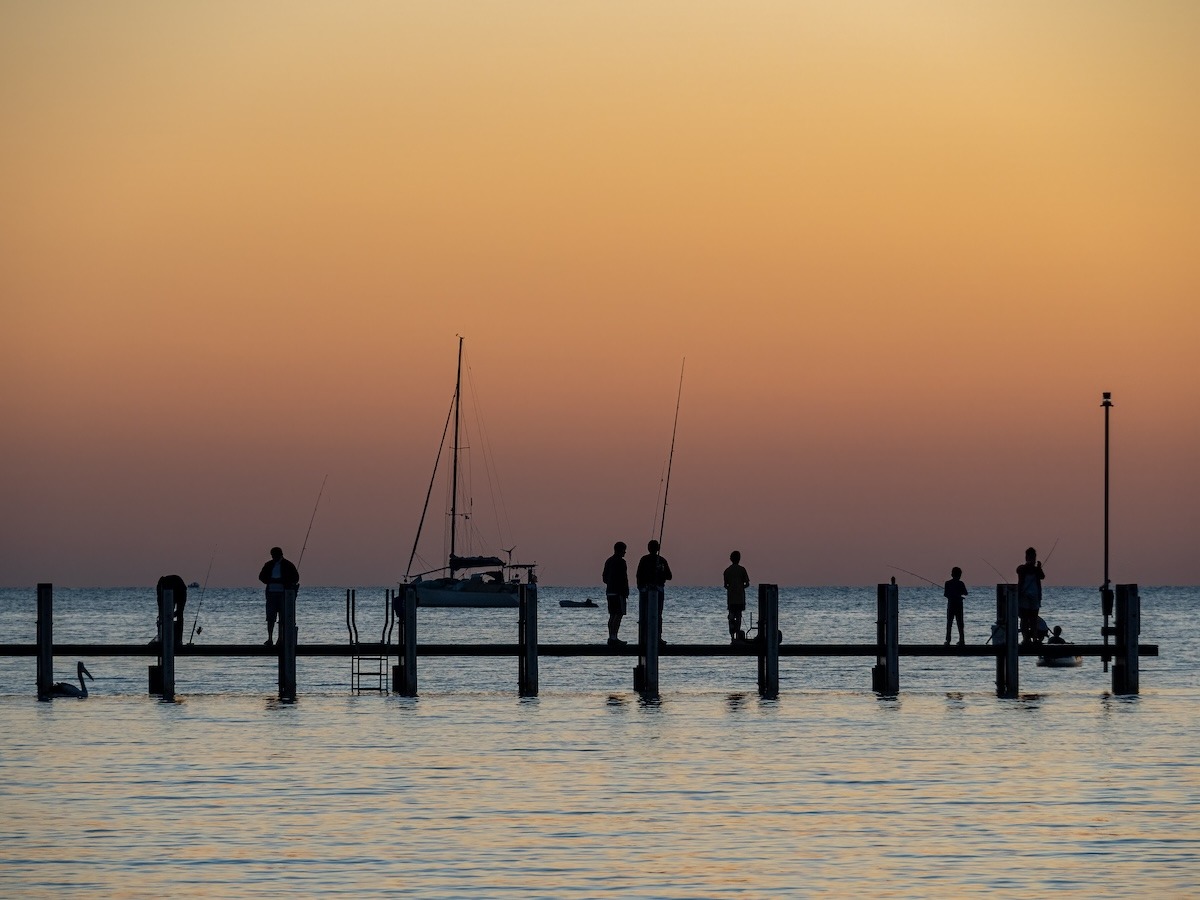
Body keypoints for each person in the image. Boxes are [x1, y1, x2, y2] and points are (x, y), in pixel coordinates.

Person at [258, 547, 300, 646]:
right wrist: (271, 580)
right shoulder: (268, 565)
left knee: (282, 618)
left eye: (275, 555)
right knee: (270, 618)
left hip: (283, 595)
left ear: (280, 554)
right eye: (272, 555)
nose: (273, 557)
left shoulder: (288, 565)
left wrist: (282, 581)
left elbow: (296, 578)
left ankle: (280, 639)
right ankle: (270, 639)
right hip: (271, 594)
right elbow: (261, 577)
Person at [636, 539, 672, 646]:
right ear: (658, 548)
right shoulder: (661, 560)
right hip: (657, 590)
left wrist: (640, 587)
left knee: (644, 614)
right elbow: (669, 576)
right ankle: (657, 637)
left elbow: (638, 575)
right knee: (658, 614)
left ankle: (644, 637)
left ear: (648, 548)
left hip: (645, 590)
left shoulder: (644, 559)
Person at [602, 541, 630, 646]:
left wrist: (610, 583)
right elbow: (624, 578)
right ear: (620, 550)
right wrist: (625, 591)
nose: (625, 552)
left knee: (612, 615)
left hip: (610, 592)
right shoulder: (621, 562)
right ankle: (614, 638)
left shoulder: (608, 561)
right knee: (618, 615)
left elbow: (604, 578)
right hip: (619, 593)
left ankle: (611, 637)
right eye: (624, 550)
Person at [1015, 547, 1045, 645]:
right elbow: (1019, 570)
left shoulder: (1037, 570)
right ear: (1027, 557)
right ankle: (1026, 638)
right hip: (1024, 596)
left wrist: (1039, 567)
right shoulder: (1023, 568)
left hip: (1035, 597)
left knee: (1033, 619)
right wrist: (1033, 567)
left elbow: (1042, 576)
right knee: (1024, 619)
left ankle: (1034, 638)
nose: (1033, 559)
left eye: (1034, 557)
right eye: (1031, 557)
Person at [723, 551, 751, 642]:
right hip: (739, 597)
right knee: (739, 616)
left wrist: (731, 588)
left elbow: (725, 585)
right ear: (739, 559)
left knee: (731, 615)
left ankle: (732, 636)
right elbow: (747, 584)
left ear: (731, 559)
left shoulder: (727, 571)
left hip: (731, 597)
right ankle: (738, 635)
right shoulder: (742, 570)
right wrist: (741, 587)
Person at [154, 574, 188, 646]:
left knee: (179, 615)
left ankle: (178, 639)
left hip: (180, 589)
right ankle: (175, 638)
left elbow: (161, 605)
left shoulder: (165, 586)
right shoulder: (163, 585)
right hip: (179, 588)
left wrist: (169, 615)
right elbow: (161, 605)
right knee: (177, 615)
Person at [943, 566, 967, 646]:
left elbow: (946, 594)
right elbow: (966, 593)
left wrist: (952, 595)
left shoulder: (947, 583)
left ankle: (948, 641)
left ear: (952, 574)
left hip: (951, 605)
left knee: (949, 623)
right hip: (959, 605)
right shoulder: (961, 583)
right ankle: (962, 640)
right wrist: (958, 595)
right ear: (960, 575)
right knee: (960, 623)